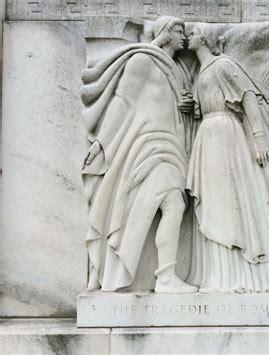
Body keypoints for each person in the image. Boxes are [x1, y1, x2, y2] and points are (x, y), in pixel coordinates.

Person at [81, 16, 197, 293]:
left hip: (170, 146)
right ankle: (165, 276)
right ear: (166, 32)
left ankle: (158, 274)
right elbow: (123, 103)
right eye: (179, 30)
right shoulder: (142, 61)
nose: (184, 35)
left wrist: (186, 107)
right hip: (148, 147)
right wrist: (101, 143)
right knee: (172, 205)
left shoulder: (174, 68)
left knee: (165, 207)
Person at [185, 24, 269, 293]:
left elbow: (248, 97)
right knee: (214, 202)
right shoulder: (201, 73)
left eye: (194, 32)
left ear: (205, 39)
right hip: (208, 135)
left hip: (226, 135)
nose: (188, 36)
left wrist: (258, 138)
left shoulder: (223, 65)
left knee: (229, 201)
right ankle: (218, 276)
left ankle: (239, 277)